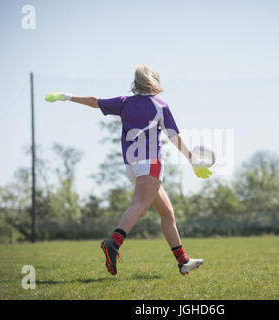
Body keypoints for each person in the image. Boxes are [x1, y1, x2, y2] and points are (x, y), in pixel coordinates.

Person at [45, 64, 212, 275]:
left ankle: (183, 261)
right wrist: (192, 159)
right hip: (150, 163)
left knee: (167, 213)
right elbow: (173, 136)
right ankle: (113, 243)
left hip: (132, 167)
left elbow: (95, 102)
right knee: (140, 206)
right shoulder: (160, 105)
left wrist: (67, 96)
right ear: (154, 81)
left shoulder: (124, 102)